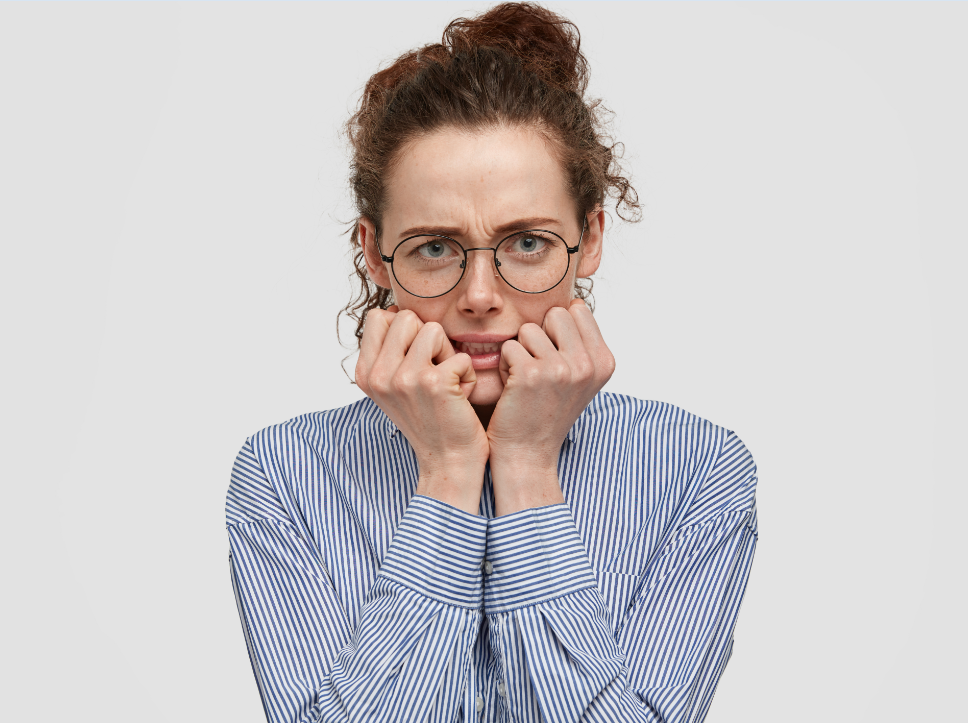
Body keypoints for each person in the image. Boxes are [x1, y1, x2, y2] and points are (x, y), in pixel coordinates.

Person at [225, 3, 758, 721]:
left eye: (528, 243)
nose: (481, 297)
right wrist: (448, 474)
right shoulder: (285, 473)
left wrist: (528, 468)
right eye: (436, 247)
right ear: (376, 252)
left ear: (590, 236)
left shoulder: (698, 469)